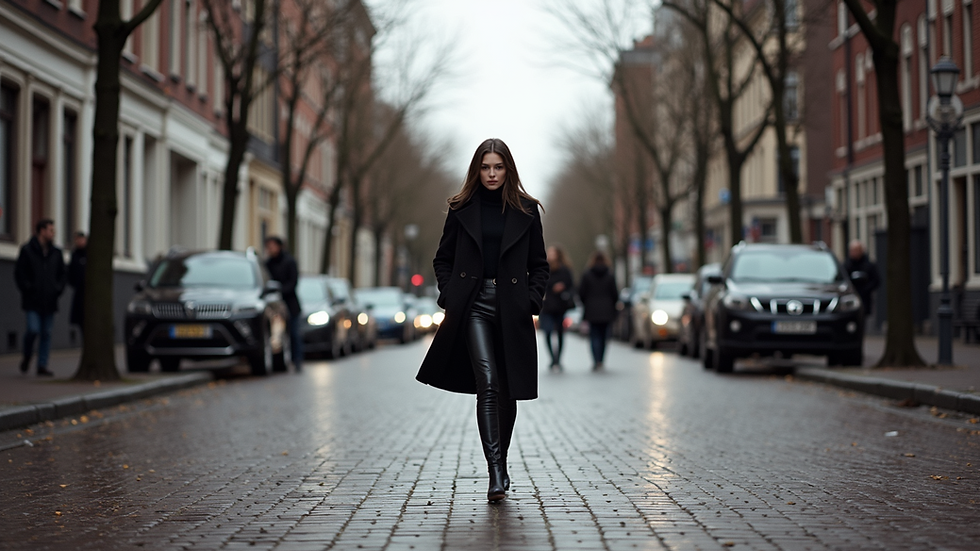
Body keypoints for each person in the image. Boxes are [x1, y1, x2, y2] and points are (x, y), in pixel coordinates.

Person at [416, 138, 549, 502]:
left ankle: (502, 462)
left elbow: (539, 265)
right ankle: (494, 471)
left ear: (509, 169)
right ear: (477, 169)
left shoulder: (527, 210)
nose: (491, 174)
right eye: (486, 167)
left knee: (507, 389)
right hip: (473, 305)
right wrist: (450, 295)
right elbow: (442, 259)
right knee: (488, 381)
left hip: (512, 308)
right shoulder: (461, 208)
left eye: (498, 167)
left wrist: (530, 301)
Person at [14, 219, 66, 377]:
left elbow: (62, 274)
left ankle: (42, 365)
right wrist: (28, 289)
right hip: (32, 300)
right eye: (50, 230)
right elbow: (19, 273)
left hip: (49, 300)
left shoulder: (56, 253)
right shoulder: (27, 250)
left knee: (46, 333)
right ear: (41, 231)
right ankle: (27, 356)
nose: (53, 233)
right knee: (33, 329)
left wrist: (57, 289)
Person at [264, 236, 302, 372]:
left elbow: (293, 282)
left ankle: (297, 361)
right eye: (268, 246)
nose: (269, 249)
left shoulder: (290, 262)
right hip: (274, 305)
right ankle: (281, 362)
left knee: (294, 333)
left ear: (279, 246)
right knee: (277, 334)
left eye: (272, 246)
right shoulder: (268, 264)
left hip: (290, 304)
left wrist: (280, 290)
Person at [579, 251, 618, 371]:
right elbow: (615, 294)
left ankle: (595, 360)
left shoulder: (587, 275)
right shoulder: (610, 275)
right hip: (606, 310)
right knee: (604, 336)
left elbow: (581, 293)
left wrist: (586, 304)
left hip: (592, 310)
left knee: (594, 336)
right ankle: (601, 360)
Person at [539, 245, 574, 371]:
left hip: (560, 306)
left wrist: (563, 287)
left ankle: (558, 359)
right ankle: (553, 358)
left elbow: (571, 285)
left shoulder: (565, 270)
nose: (550, 255)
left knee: (559, 332)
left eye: (553, 253)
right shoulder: (544, 268)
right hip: (546, 306)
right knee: (547, 332)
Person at [843, 240, 880, 316]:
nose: (854, 253)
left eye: (856, 250)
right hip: (850, 297)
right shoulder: (846, 266)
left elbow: (876, 280)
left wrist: (866, 289)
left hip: (865, 299)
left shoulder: (868, 265)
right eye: (852, 251)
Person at [67, 231, 87, 338]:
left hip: (89, 296)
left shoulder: (90, 255)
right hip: (79, 294)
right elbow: (71, 274)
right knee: (81, 322)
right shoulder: (74, 255)